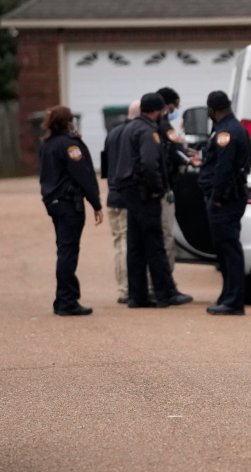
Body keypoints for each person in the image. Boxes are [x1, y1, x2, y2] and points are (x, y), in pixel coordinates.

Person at [113, 92, 193, 308]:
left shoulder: (128, 128)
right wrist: (158, 187)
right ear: (156, 111)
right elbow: (149, 164)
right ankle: (165, 293)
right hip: (146, 195)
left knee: (135, 247)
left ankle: (137, 296)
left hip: (130, 194)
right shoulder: (149, 131)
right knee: (155, 245)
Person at [38, 105, 103, 316]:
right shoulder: (69, 145)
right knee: (68, 251)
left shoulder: (47, 144)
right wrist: (96, 204)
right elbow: (83, 174)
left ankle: (63, 299)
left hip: (54, 203)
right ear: (67, 122)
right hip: (68, 204)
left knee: (63, 248)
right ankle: (67, 300)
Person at [197, 91, 251, 315]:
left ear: (212, 110)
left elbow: (224, 168)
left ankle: (234, 300)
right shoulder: (227, 128)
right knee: (224, 249)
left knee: (229, 249)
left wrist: (216, 197)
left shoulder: (226, 131)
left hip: (225, 199)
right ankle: (228, 294)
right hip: (227, 197)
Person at [155, 87, 198, 271]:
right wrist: (192, 160)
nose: (174, 110)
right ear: (166, 105)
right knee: (166, 235)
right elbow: (175, 150)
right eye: (173, 106)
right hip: (165, 187)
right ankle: (164, 283)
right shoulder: (163, 125)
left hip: (153, 188)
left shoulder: (148, 125)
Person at [103, 100, 140, 304]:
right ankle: (128, 287)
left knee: (118, 243)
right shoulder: (136, 132)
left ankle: (122, 287)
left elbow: (106, 165)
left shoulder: (113, 133)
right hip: (127, 195)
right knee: (128, 241)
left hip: (112, 195)